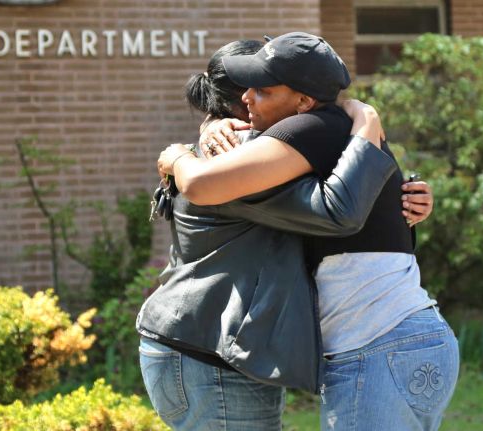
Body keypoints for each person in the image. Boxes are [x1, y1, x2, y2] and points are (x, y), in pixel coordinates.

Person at [156, 32, 458, 430]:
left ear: (302, 102)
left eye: (262, 89)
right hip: (406, 337)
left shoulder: (306, 130)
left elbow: (336, 211)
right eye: (246, 88)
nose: (249, 97)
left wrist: (178, 157)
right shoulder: (340, 131)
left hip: (376, 345)